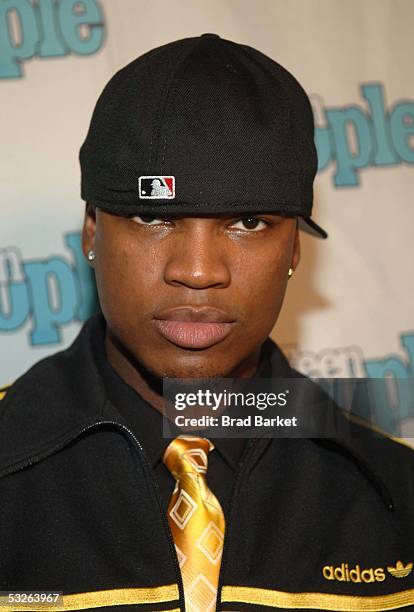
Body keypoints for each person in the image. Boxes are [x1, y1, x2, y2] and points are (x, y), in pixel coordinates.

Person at [1, 33, 413, 612]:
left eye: (248, 221)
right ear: (92, 230)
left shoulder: (395, 493)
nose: (197, 272)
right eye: (153, 215)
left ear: (295, 248)